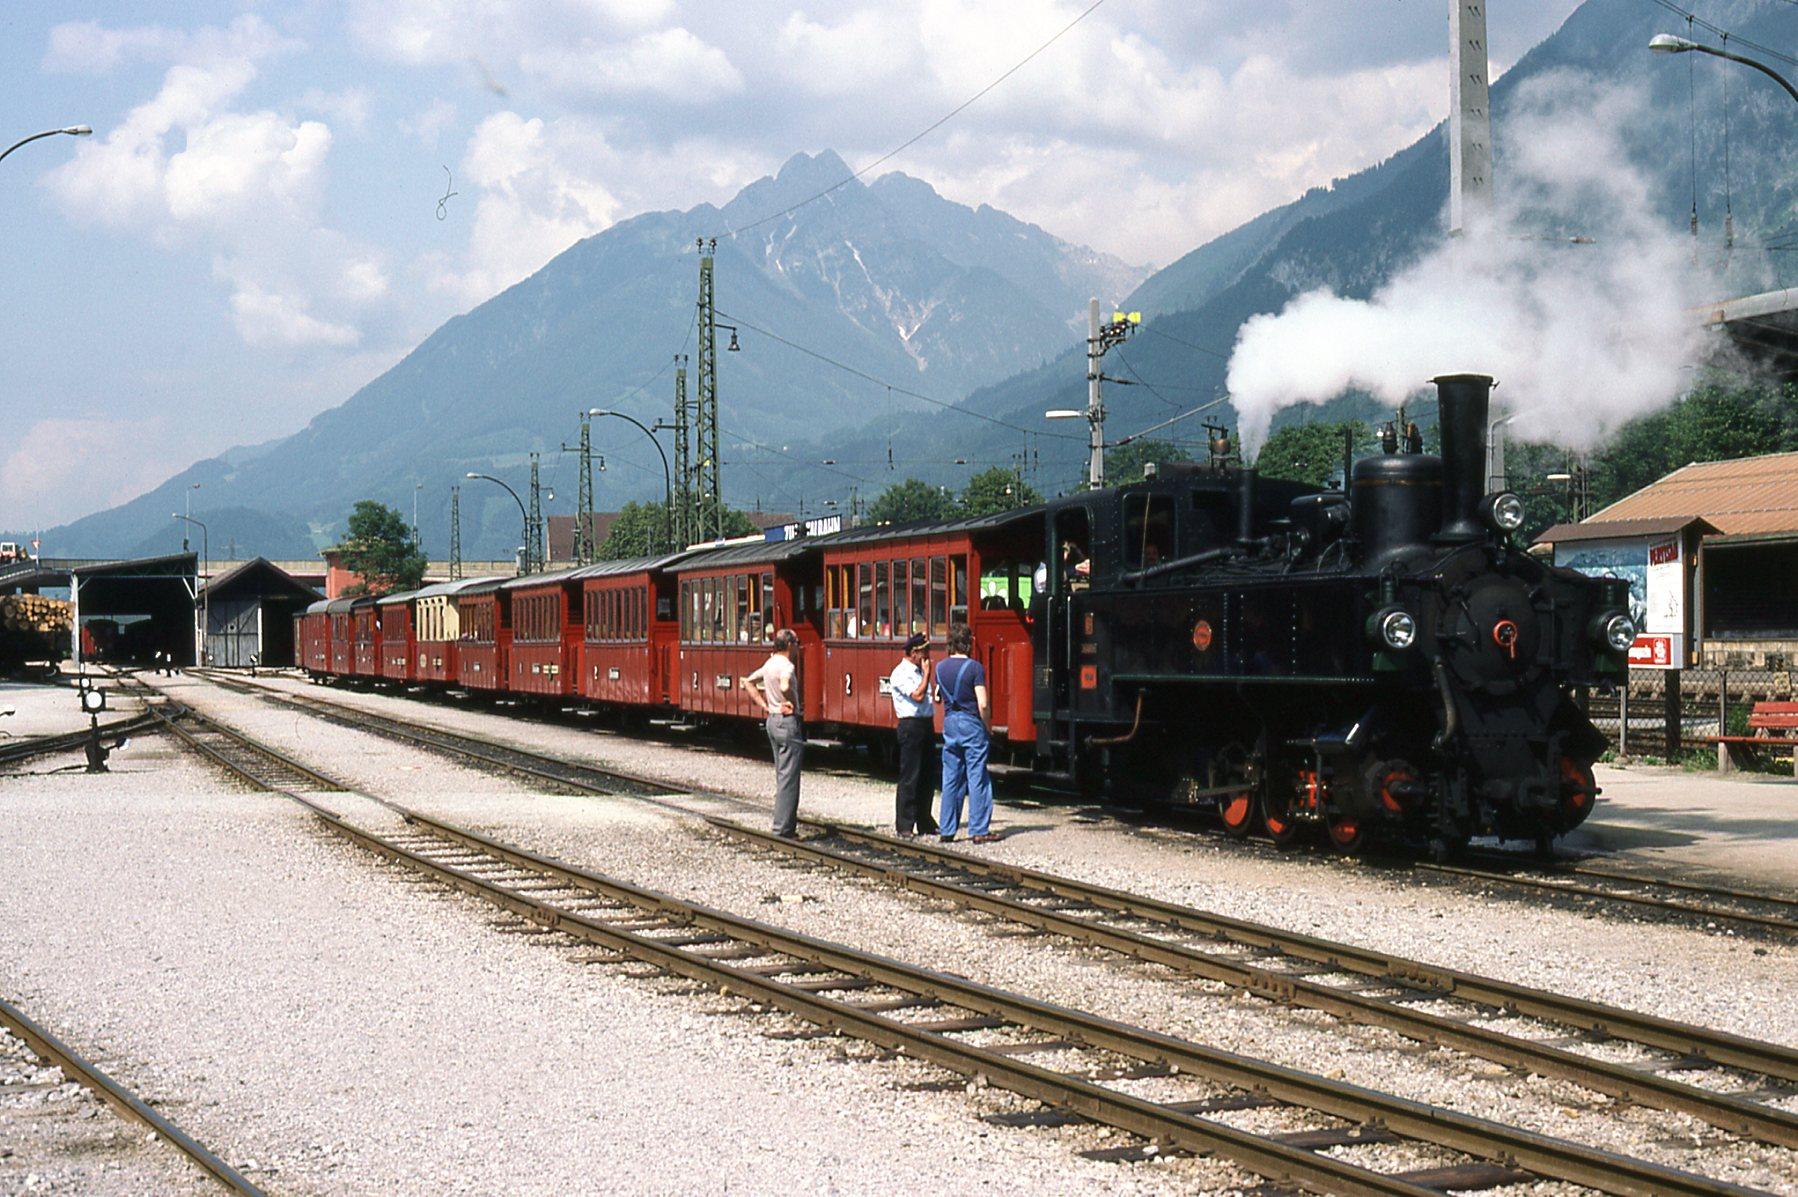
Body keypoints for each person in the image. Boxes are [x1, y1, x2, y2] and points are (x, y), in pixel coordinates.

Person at [936, 621, 997, 843]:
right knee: (977, 775)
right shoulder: (974, 668)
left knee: (951, 777)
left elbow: (940, 696)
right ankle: (979, 830)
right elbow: (983, 703)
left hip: (950, 722)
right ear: (968, 643)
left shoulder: (940, 668)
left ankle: (947, 829)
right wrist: (988, 726)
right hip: (971, 723)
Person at [742, 628, 804, 838]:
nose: (797, 647)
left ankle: (783, 824)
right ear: (789, 645)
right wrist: (792, 702)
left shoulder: (769, 664)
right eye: (796, 643)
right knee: (789, 777)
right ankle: (783, 830)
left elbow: (748, 682)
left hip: (772, 721)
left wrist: (764, 705)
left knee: (782, 774)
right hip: (787, 722)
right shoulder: (787, 665)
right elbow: (785, 685)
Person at [888, 633, 939, 838]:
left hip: (925, 724)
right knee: (910, 776)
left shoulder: (918, 671)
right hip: (910, 725)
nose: (927, 656)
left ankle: (925, 820)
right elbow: (917, 696)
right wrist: (927, 675)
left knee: (927, 775)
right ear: (914, 652)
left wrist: (925, 674)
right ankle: (905, 823)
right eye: (924, 652)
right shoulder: (900, 673)